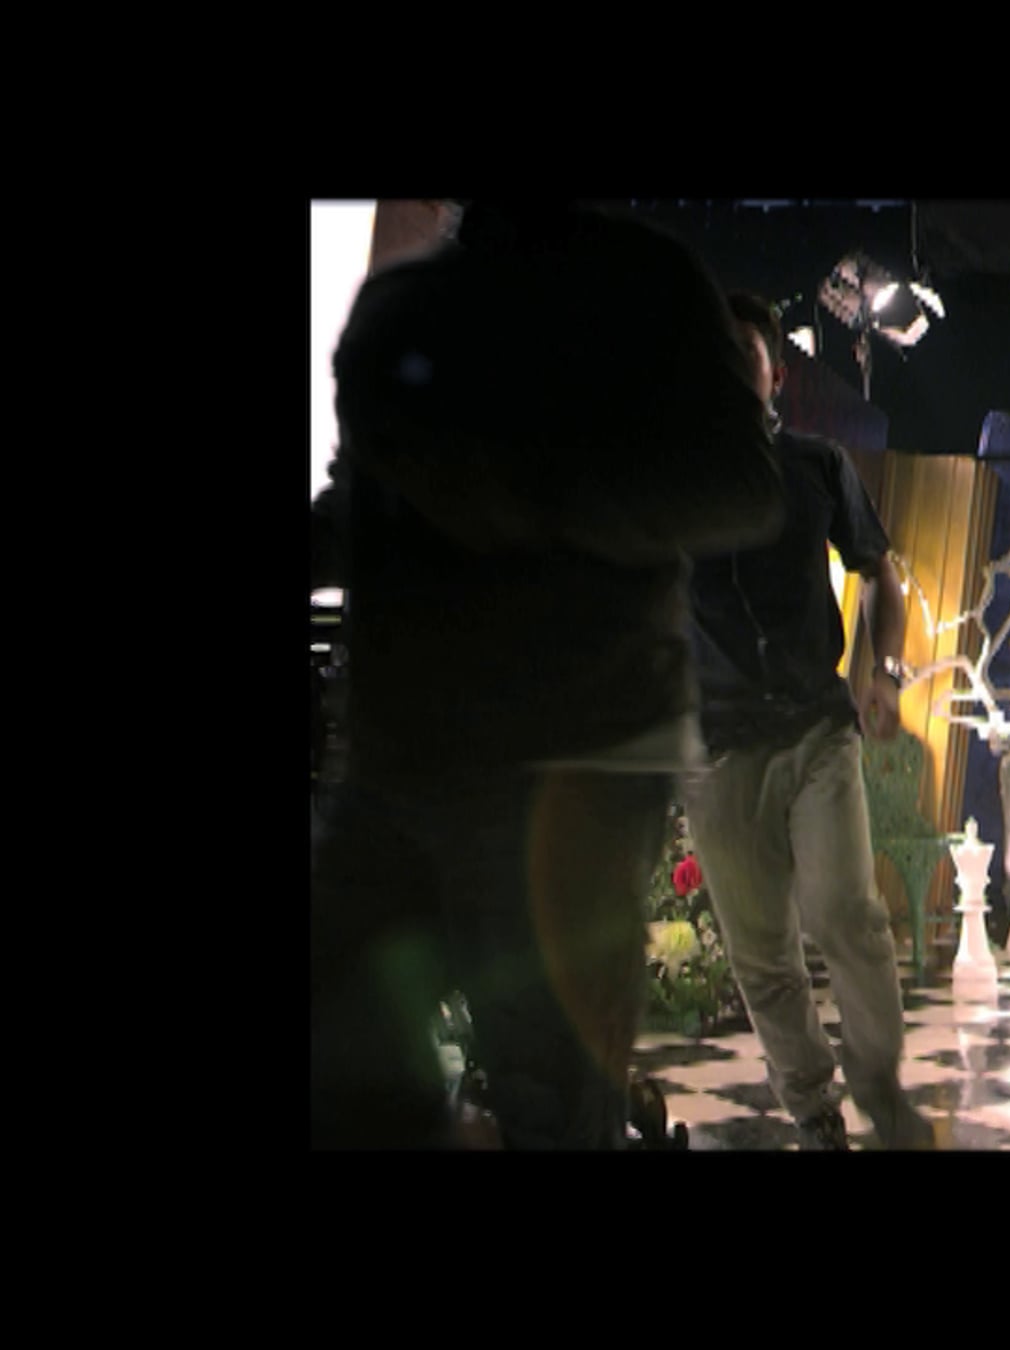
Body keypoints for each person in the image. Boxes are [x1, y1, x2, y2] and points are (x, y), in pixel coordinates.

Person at [310, 200, 785, 1149]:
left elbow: (741, 482)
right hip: (401, 760)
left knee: (547, 1100)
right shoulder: (406, 305)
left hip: (574, 762)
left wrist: (519, 495)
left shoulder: (646, 285)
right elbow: (362, 502)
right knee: (341, 1055)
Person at [679, 291, 936, 1151]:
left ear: (775, 374)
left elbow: (880, 573)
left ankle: (881, 1091)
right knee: (760, 951)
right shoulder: (669, 485)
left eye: (742, 354)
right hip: (715, 749)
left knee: (845, 913)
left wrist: (886, 674)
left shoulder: (818, 465)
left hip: (816, 730)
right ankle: (813, 1108)